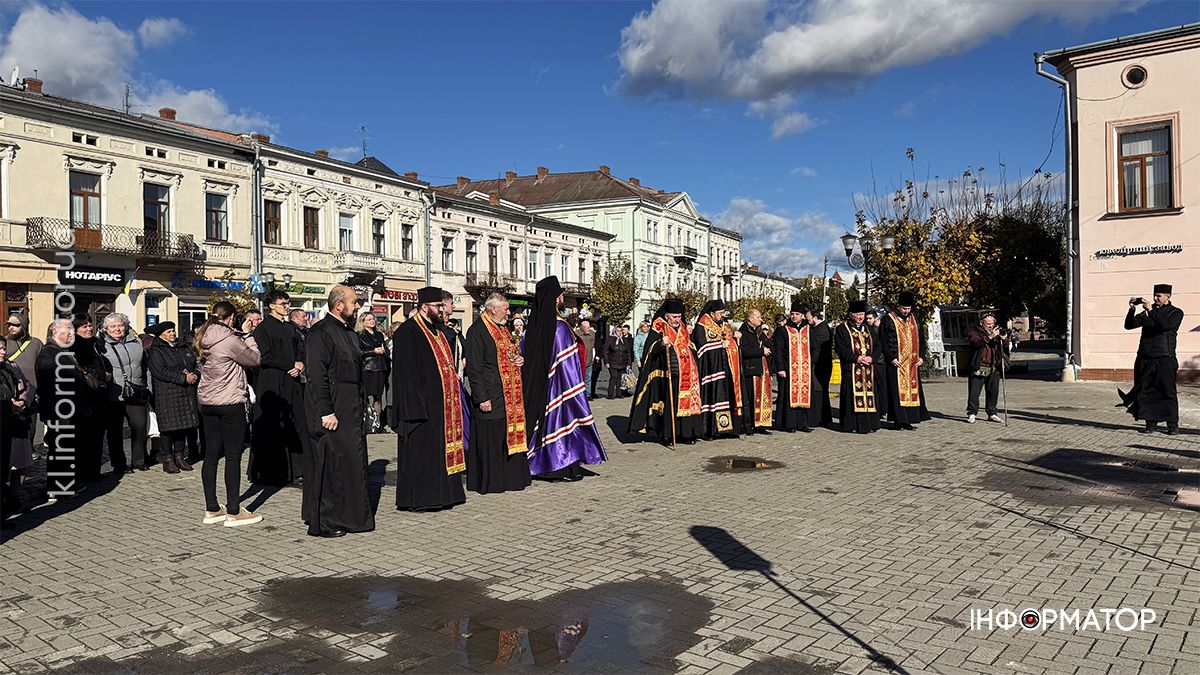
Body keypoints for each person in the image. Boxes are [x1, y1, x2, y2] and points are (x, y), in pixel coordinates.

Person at [304, 285, 375, 536]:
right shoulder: (320, 333)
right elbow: (316, 374)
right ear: (339, 305)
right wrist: (326, 411)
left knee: (351, 462)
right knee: (332, 464)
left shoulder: (348, 332)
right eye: (355, 302)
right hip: (332, 407)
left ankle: (352, 518)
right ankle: (325, 522)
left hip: (350, 407)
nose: (358, 307)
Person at [521, 276, 606, 479]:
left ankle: (540, 461)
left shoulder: (532, 326)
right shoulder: (559, 327)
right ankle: (560, 466)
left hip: (538, 385)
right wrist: (575, 388)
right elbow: (567, 362)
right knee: (562, 422)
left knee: (543, 422)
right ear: (556, 297)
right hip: (561, 385)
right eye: (560, 294)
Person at [390, 287, 468, 510]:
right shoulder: (408, 332)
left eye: (442, 306)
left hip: (442, 405)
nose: (442, 310)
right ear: (425, 307)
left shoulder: (437, 330)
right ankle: (423, 498)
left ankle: (447, 494)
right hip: (422, 406)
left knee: (441, 451)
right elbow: (406, 375)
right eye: (438, 306)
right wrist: (415, 408)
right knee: (424, 454)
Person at [194, 301, 262, 527]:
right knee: (233, 456)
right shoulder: (230, 340)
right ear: (231, 317)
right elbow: (255, 360)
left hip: (207, 402)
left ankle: (212, 508)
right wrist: (248, 335)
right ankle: (234, 510)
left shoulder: (201, 337)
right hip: (229, 402)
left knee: (211, 455)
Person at [464, 293, 531, 494]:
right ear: (494, 309)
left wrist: (520, 360)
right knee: (491, 439)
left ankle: (509, 478)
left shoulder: (502, 328)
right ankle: (491, 481)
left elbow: (511, 354)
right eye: (506, 309)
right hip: (490, 394)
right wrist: (482, 397)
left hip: (508, 395)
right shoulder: (477, 331)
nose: (509, 313)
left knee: (504, 436)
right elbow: (474, 369)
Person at [250, 290, 308, 485]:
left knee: (297, 421)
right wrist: (289, 365)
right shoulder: (263, 328)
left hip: (292, 380)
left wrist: (300, 363)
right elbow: (265, 356)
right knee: (273, 425)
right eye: (283, 303)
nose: (287, 306)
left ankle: (299, 469)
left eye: (288, 303)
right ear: (271, 306)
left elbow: (301, 348)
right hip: (272, 381)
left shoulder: (291, 328)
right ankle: (271, 472)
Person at [628, 299, 704, 446]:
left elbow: (689, 344)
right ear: (667, 315)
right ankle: (668, 435)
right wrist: (661, 344)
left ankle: (686, 433)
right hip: (668, 374)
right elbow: (649, 350)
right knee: (671, 405)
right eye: (674, 317)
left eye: (679, 316)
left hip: (687, 373)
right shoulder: (658, 326)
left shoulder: (682, 327)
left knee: (687, 403)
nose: (677, 319)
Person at [37, 319, 98, 500]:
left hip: (70, 411)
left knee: (67, 449)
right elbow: (50, 386)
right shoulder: (48, 354)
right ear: (55, 333)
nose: (71, 334)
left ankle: (66, 483)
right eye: (67, 331)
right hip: (60, 412)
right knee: (59, 449)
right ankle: (57, 489)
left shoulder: (62, 352)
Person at [1120, 284, 1184, 434]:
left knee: (1167, 392)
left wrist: (1150, 310)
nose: (1155, 298)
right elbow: (1129, 325)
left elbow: (1165, 325)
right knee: (1147, 392)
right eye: (1154, 295)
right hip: (1146, 358)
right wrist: (1131, 309)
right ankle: (1150, 424)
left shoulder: (1176, 313)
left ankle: (1172, 425)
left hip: (1165, 359)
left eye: (1159, 296)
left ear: (1168, 296)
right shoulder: (1148, 313)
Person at [98, 313, 152, 471]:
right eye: (112, 326)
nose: (117, 329)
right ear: (106, 329)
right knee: (115, 431)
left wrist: (148, 386)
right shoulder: (101, 345)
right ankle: (119, 463)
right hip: (114, 393)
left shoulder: (136, 341)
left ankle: (139, 460)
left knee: (140, 426)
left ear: (126, 326)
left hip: (136, 390)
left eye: (120, 325)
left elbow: (145, 366)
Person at [144, 322, 198, 474]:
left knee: (183, 426)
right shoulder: (156, 350)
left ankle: (179, 456)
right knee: (168, 428)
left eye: (173, 330)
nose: (173, 333)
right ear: (161, 335)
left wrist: (194, 375)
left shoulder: (182, 346)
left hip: (185, 393)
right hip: (166, 393)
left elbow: (194, 363)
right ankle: (167, 458)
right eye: (169, 331)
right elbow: (160, 370)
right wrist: (183, 377)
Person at [879, 291, 931, 430]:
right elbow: (883, 341)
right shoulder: (888, 319)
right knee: (897, 393)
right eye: (904, 308)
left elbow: (922, 340)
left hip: (912, 364)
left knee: (913, 391)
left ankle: (910, 419)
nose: (906, 311)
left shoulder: (914, 318)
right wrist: (891, 358)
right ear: (898, 306)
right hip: (896, 363)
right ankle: (899, 420)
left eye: (908, 309)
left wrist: (922, 356)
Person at [69, 315, 110, 480]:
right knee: (85, 438)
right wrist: (102, 374)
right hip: (86, 397)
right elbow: (82, 370)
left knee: (97, 436)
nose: (89, 329)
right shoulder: (77, 346)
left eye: (90, 325)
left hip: (99, 395)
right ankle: (83, 473)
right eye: (84, 326)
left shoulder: (96, 344)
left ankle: (94, 472)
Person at [691, 300, 739, 437]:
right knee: (712, 398)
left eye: (723, 313)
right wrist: (720, 345)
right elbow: (701, 348)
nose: (722, 316)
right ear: (712, 314)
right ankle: (710, 429)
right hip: (710, 371)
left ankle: (725, 428)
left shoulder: (724, 325)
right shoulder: (702, 326)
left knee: (726, 395)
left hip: (725, 367)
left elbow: (730, 342)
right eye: (720, 313)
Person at [834, 301, 882, 434]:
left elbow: (878, 346)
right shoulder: (842, 329)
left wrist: (872, 358)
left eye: (862, 314)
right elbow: (840, 348)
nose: (861, 317)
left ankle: (870, 424)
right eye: (858, 314)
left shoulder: (869, 329)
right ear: (851, 315)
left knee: (870, 396)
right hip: (852, 368)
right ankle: (852, 425)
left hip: (868, 370)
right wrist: (856, 358)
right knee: (851, 398)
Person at [0, 341, 35, 516]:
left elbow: (28, 384)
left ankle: (14, 499)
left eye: (4, 348)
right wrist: (9, 405)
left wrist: (23, 401)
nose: (3, 351)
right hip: (5, 421)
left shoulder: (11, 366)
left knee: (21, 463)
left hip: (18, 419)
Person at [772, 301, 813, 433]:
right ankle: (789, 424)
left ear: (802, 316)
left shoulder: (808, 330)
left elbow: (813, 348)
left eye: (797, 314)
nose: (794, 316)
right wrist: (780, 368)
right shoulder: (783, 330)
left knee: (803, 395)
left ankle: (802, 423)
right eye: (792, 314)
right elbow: (778, 351)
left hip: (804, 369)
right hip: (788, 368)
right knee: (788, 396)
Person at [966, 314, 1011, 424]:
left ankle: (992, 412)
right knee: (974, 392)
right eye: (988, 324)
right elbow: (976, 343)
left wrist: (1004, 339)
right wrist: (990, 336)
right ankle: (972, 413)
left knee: (993, 391)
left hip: (994, 366)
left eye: (992, 324)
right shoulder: (974, 332)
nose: (991, 326)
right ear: (982, 323)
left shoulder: (996, 333)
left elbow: (1004, 348)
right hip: (979, 365)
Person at [738, 309, 773, 433]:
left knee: (762, 399)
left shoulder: (758, 331)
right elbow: (744, 351)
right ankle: (749, 425)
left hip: (761, 369)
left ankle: (761, 424)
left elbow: (769, 343)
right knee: (751, 400)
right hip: (750, 370)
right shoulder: (743, 332)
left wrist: (768, 348)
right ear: (750, 319)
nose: (760, 320)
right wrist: (761, 351)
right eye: (758, 317)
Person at [357, 311, 389, 433]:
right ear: (363, 322)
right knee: (366, 397)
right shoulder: (359, 335)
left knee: (378, 397)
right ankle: (365, 424)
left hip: (380, 367)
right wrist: (373, 351)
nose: (372, 321)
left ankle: (376, 424)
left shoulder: (379, 334)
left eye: (373, 319)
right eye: (369, 319)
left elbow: (386, 349)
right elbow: (358, 352)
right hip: (367, 368)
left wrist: (384, 351)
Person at [808, 308, 834, 428]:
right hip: (819, 364)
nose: (807, 320)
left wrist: (811, 363)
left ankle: (822, 417)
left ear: (814, 317)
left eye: (808, 317)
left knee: (820, 391)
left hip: (821, 365)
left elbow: (815, 347)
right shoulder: (817, 328)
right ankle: (821, 417)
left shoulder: (821, 330)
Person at [5, 314, 42, 394]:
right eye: (9, 325)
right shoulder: (3, 343)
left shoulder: (36, 344)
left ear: (24, 325)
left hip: (33, 391)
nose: (11, 328)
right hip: (11, 392)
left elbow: (42, 368)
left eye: (15, 325)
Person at [603, 322, 634, 400]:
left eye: (621, 331)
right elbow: (606, 351)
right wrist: (606, 362)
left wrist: (629, 363)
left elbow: (628, 352)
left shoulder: (624, 340)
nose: (620, 332)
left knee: (619, 378)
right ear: (615, 331)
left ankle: (618, 393)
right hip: (612, 362)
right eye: (618, 331)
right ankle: (610, 394)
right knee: (613, 377)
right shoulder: (610, 339)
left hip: (622, 362)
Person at [575, 319, 597, 401]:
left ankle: (588, 394)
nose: (588, 329)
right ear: (582, 327)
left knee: (588, 378)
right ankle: (579, 394)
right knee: (580, 378)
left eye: (589, 327)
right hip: (580, 361)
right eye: (587, 327)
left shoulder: (592, 334)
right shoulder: (577, 334)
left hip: (589, 360)